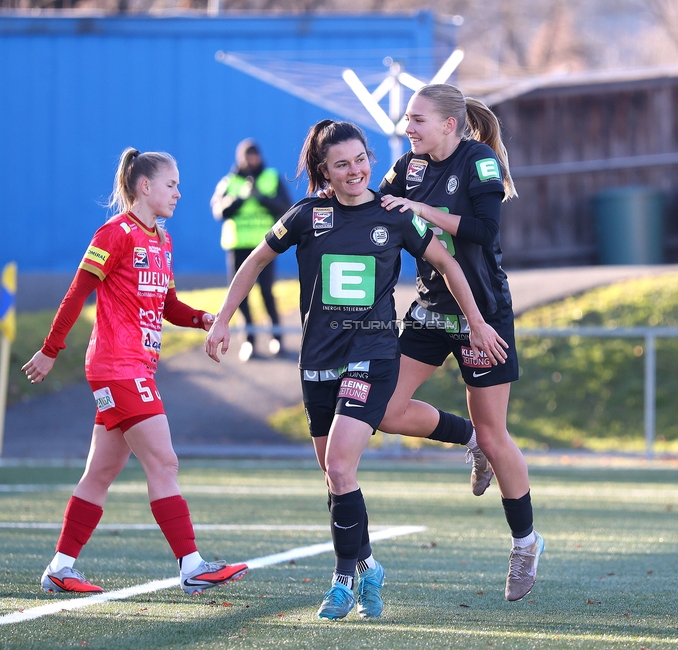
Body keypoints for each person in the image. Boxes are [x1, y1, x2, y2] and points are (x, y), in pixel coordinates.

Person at [205, 120, 507, 620]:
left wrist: (476, 322)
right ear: (324, 170)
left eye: (361, 159)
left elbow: (450, 264)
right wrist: (222, 320)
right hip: (318, 361)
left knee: (342, 466)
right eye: (342, 164)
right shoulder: (306, 215)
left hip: (374, 354)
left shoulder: (394, 216)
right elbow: (254, 261)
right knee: (333, 475)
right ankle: (367, 564)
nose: (355, 171)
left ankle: (342, 579)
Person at [22, 148, 248, 596]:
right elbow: (76, 294)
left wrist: (203, 318)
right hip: (117, 368)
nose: (179, 194)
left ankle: (60, 567)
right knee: (164, 461)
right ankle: (192, 565)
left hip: (132, 369)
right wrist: (50, 350)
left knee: (101, 473)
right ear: (144, 186)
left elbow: (167, 306)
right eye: (172, 184)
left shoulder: (161, 239)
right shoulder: (115, 233)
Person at [377, 83, 544, 601]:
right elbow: (374, 201)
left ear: (449, 124)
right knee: (383, 408)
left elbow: (482, 232)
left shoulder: (480, 162)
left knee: (500, 436)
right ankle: (468, 439)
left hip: (483, 316)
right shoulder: (408, 166)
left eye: (417, 119)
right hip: (430, 309)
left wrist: (419, 211)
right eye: (408, 119)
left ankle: (526, 542)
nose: (409, 128)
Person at [210, 138, 292, 361]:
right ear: (240, 159)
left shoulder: (271, 178)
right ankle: (249, 342)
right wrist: (241, 197)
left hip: (265, 246)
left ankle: (276, 338)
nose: (251, 160)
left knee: (266, 292)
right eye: (247, 156)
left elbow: (286, 207)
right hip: (238, 246)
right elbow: (219, 210)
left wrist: (260, 197)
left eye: (254, 155)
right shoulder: (229, 182)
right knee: (240, 296)